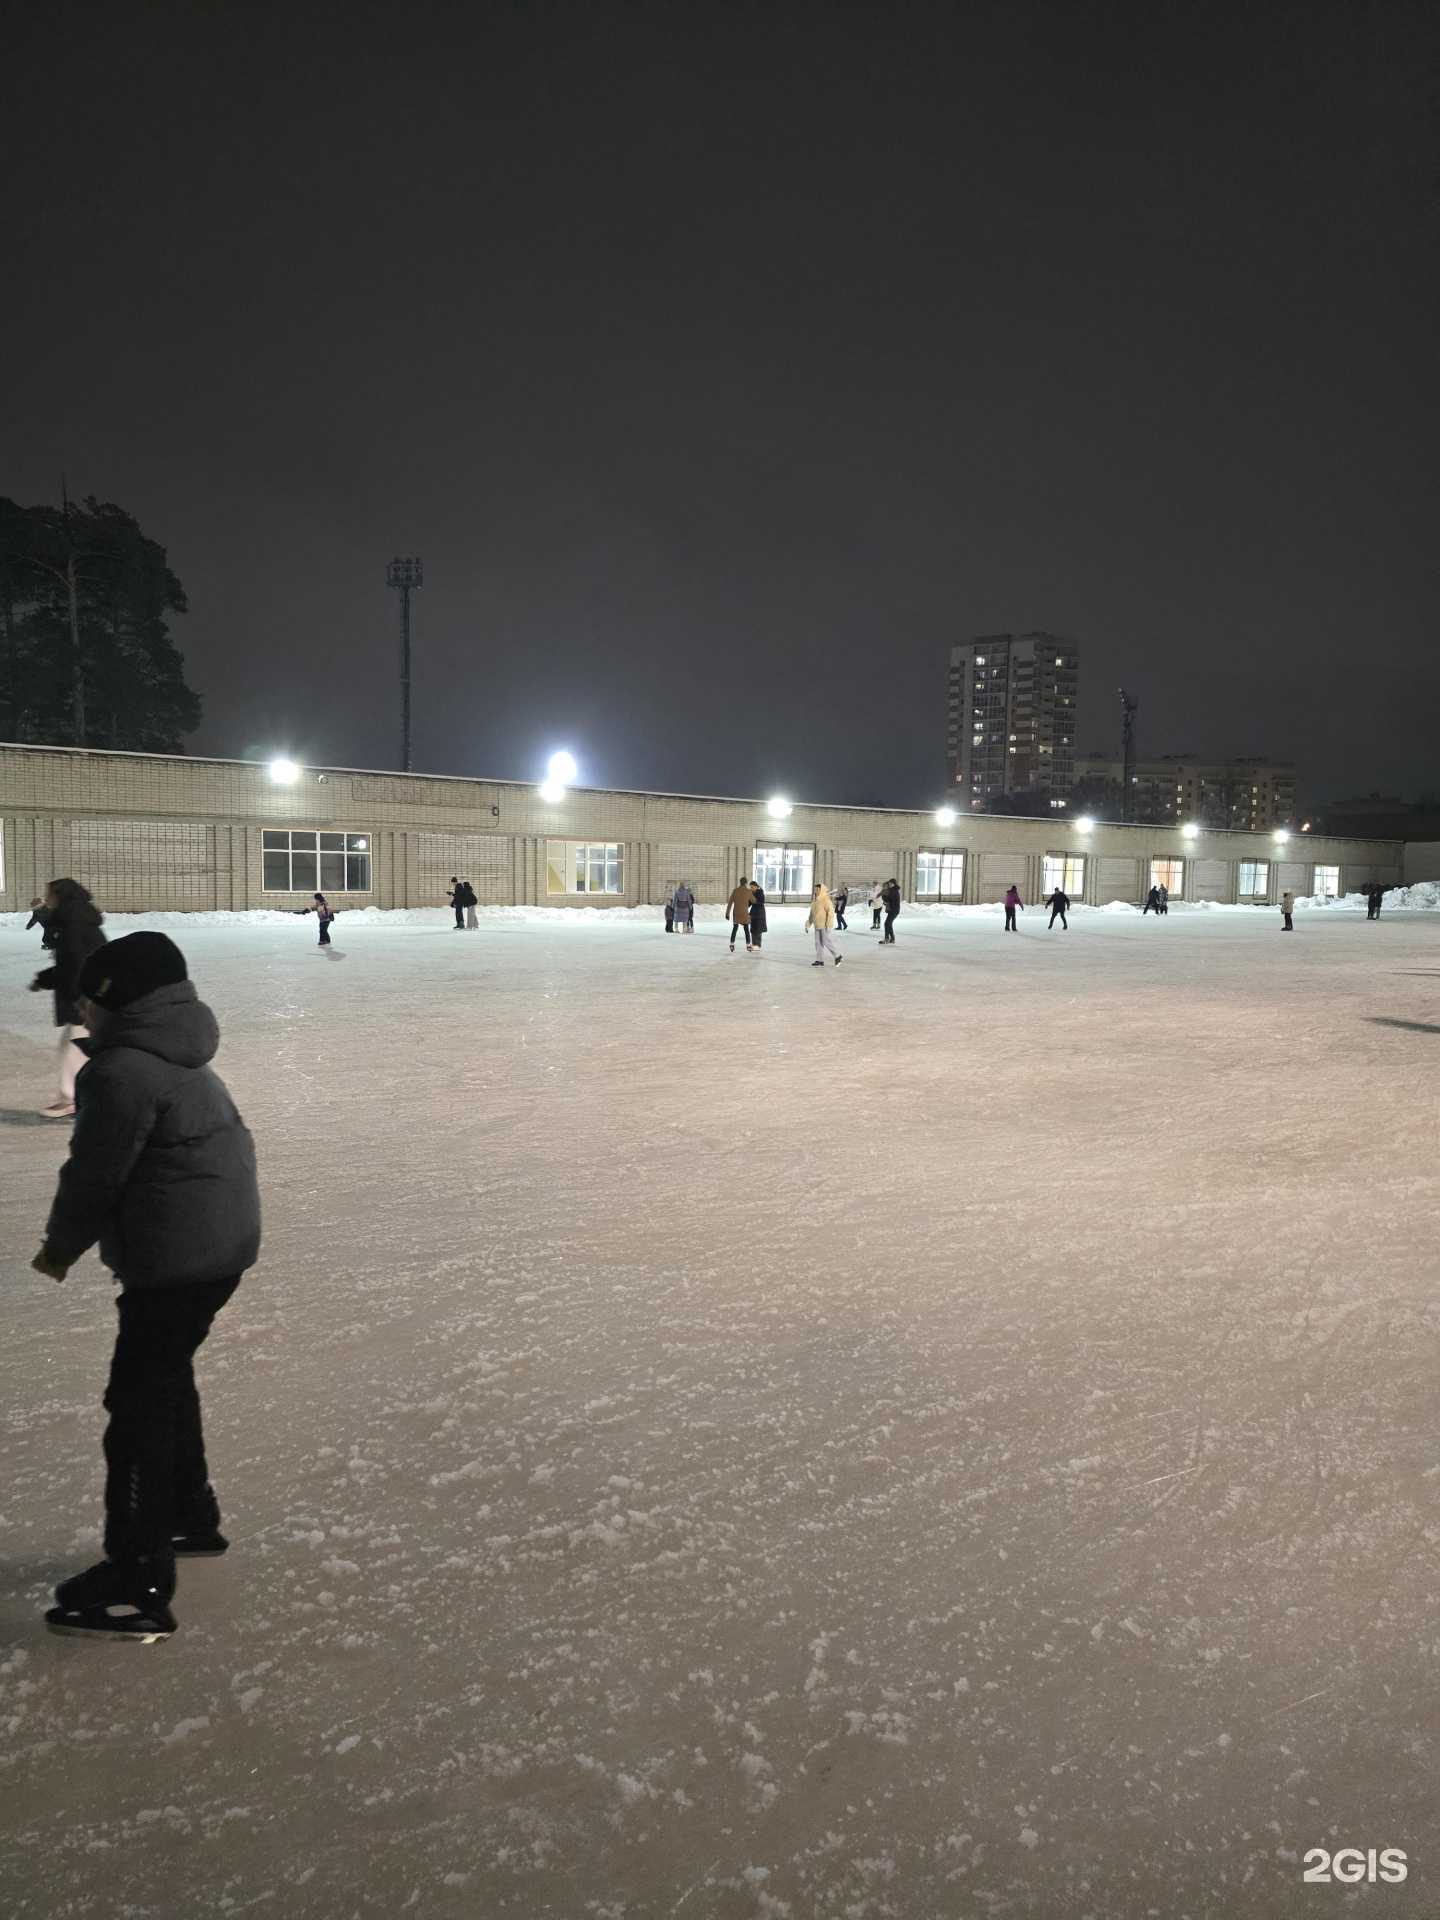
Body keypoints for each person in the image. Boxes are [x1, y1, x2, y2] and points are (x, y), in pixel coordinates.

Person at [32, 932, 261, 1641]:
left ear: (117, 1004)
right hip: (216, 1245)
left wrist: (59, 1248)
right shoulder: (175, 1051)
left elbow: (94, 1174)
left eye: (89, 1002)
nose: (81, 1013)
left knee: (136, 1405)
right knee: (164, 1379)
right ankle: (189, 1515)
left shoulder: (123, 1071)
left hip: (177, 1255)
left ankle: (137, 1578)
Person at [29, 877, 107, 1120]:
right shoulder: (75, 917)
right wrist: (46, 979)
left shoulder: (73, 922)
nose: (47, 898)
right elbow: (70, 961)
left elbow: (75, 963)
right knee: (77, 1046)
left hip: (86, 996)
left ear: (61, 896)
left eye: (49, 894)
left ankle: (71, 1099)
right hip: (88, 993)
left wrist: (79, 998)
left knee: (73, 1046)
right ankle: (83, 1098)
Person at [806, 882, 843, 966]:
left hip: (824, 925)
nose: (816, 891)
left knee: (826, 941)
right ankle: (819, 960)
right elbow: (812, 914)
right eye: (815, 889)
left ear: (822, 890)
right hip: (817, 925)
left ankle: (837, 956)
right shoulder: (815, 901)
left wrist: (829, 925)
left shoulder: (826, 900)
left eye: (818, 889)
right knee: (818, 943)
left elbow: (830, 913)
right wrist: (808, 924)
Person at [725, 877, 755, 952]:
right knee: (746, 929)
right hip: (744, 913)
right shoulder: (748, 891)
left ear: (740, 882)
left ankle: (732, 944)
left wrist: (727, 914)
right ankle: (748, 945)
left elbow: (730, 903)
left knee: (735, 928)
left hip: (736, 913)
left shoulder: (735, 891)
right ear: (746, 883)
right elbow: (754, 901)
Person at [880, 878, 901, 944]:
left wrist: (883, 895)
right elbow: (888, 900)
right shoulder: (892, 890)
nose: (890, 884)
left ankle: (887, 939)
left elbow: (888, 899)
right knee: (889, 924)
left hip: (894, 910)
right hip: (893, 910)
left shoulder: (894, 891)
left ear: (894, 884)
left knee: (887, 924)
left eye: (891, 883)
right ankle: (892, 938)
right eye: (889, 883)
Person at [749, 882, 768, 953]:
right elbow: (749, 903)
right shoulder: (751, 893)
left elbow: (761, 902)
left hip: (759, 914)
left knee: (758, 930)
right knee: (753, 929)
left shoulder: (760, 892)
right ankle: (754, 945)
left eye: (752, 887)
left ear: (756, 886)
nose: (751, 888)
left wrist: (754, 900)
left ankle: (758, 946)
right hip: (753, 913)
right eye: (750, 887)